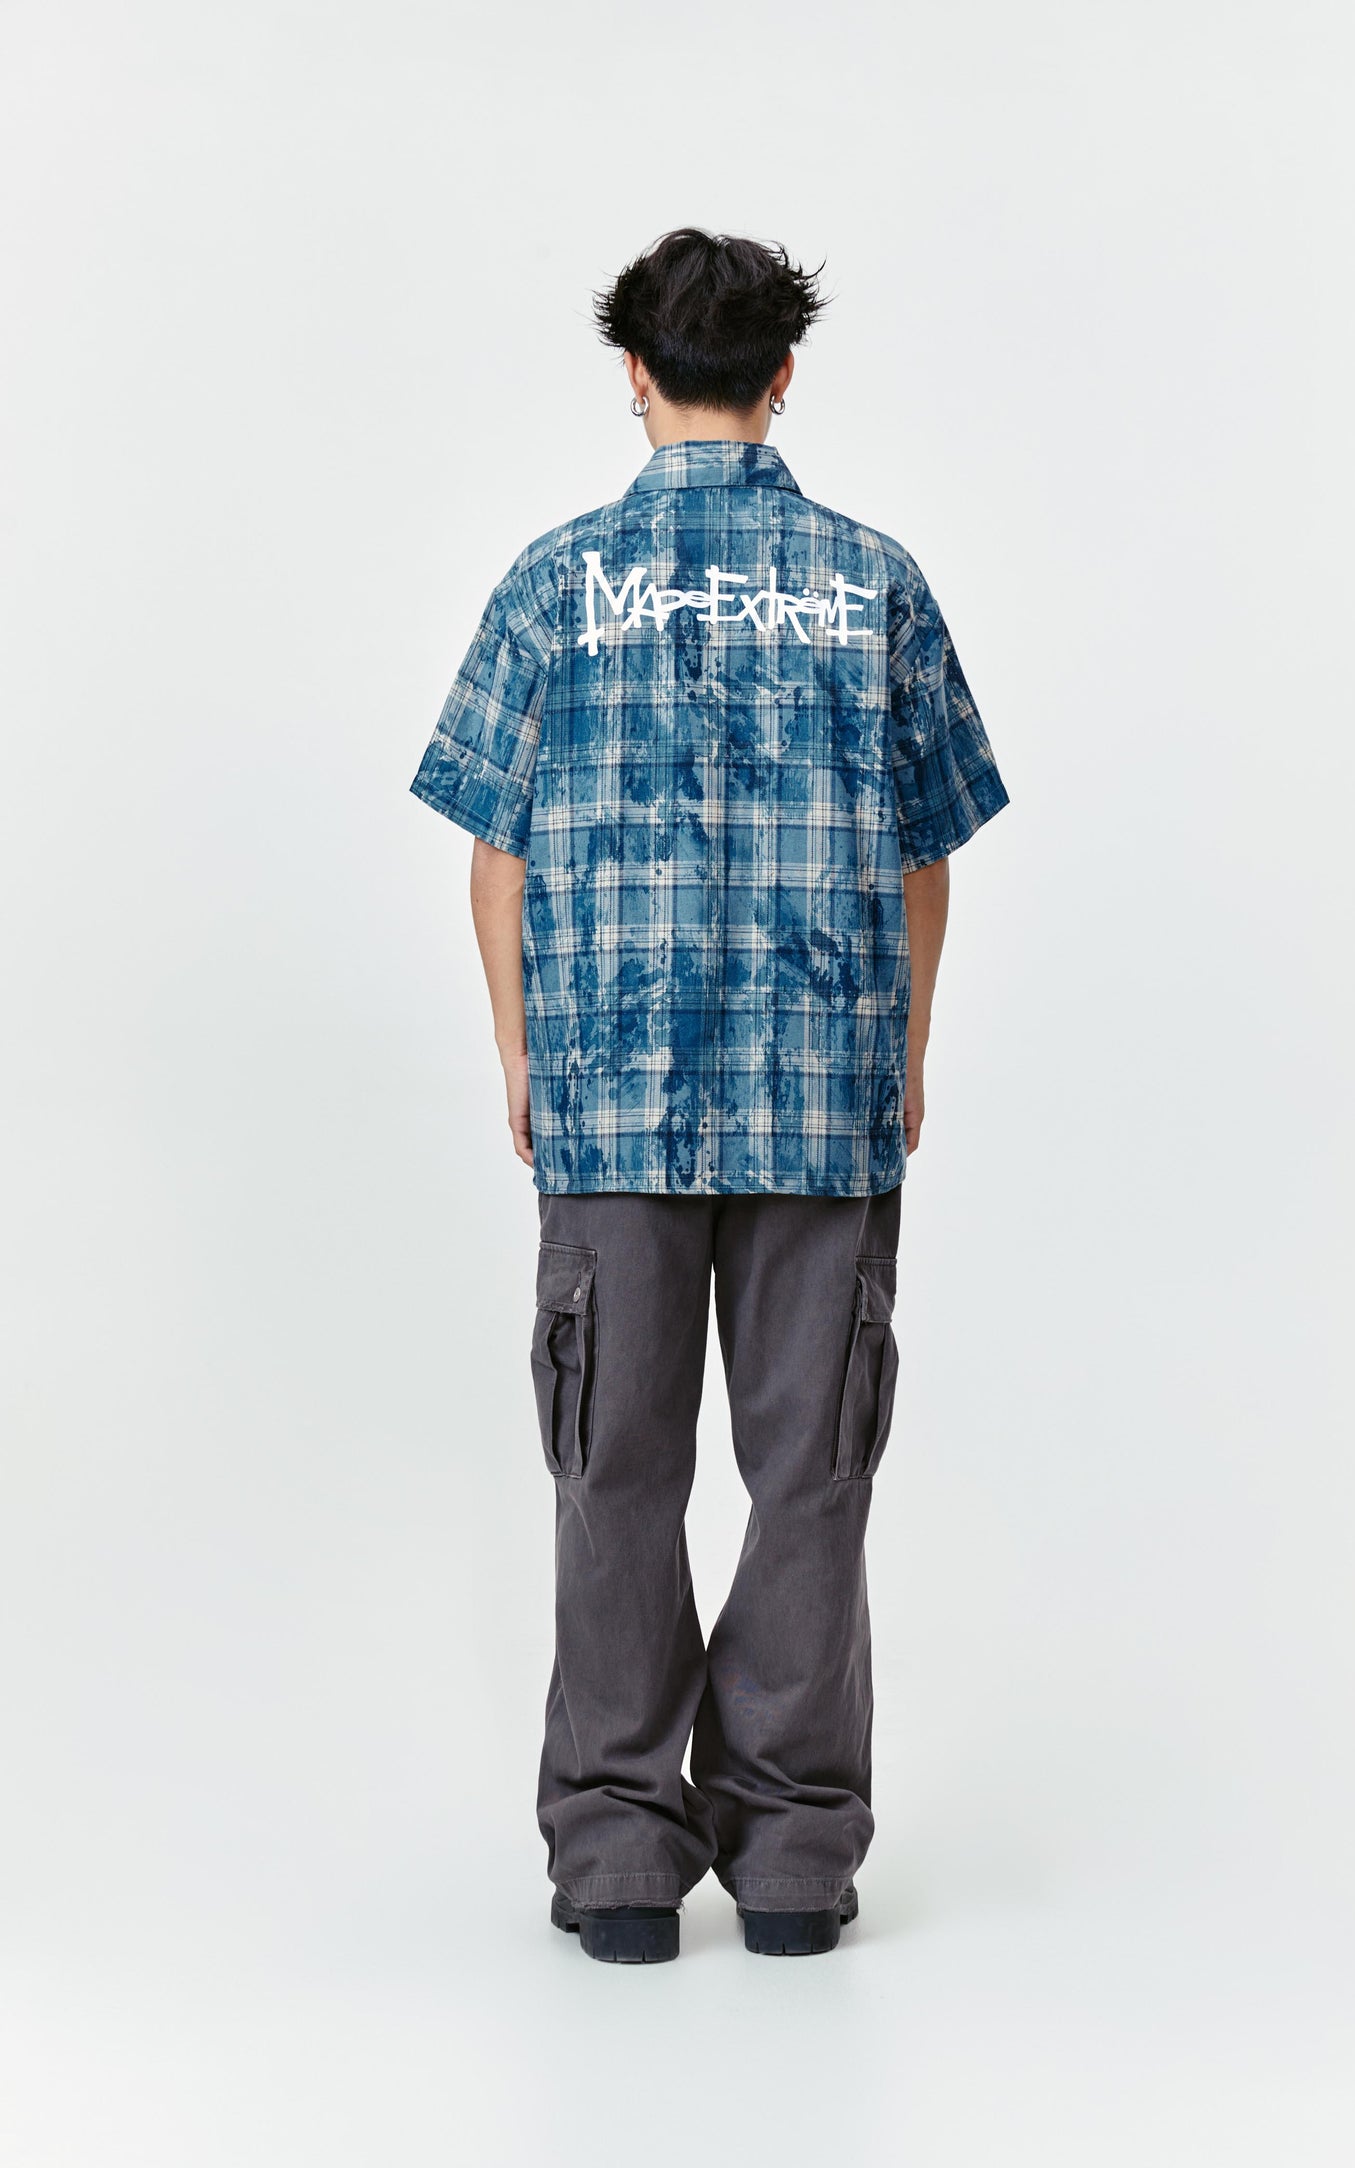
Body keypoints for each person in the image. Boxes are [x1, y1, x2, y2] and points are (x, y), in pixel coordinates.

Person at [409, 228, 1009, 1964]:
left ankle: (615, 1858)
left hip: (609, 1092)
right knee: (809, 1474)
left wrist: (522, 1056)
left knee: (612, 1470)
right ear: (781, 373)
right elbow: (924, 852)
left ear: (633, 372)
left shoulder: (554, 581)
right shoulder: (873, 581)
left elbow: (498, 854)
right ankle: (795, 1861)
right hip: (825, 1094)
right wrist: (903, 1048)